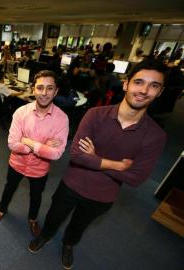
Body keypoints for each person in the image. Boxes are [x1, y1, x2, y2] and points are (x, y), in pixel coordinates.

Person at [28, 59, 168, 270]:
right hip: (71, 185)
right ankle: (45, 236)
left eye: (154, 85)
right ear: (126, 84)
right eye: (139, 82)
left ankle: (68, 244)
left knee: (79, 226)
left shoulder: (156, 136)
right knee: (54, 217)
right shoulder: (95, 115)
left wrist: (95, 158)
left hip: (103, 196)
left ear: (160, 92)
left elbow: (136, 178)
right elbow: (76, 155)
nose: (144, 90)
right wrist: (118, 165)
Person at [0, 70, 69, 236]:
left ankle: (33, 219)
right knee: (9, 188)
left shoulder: (62, 119)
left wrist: (28, 141)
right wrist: (43, 146)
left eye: (49, 88)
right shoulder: (21, 112)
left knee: (36, 196)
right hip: (16, 163)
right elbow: (12, 143)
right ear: (33, 89)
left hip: (39, 170)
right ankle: (1, 210)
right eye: (40, 88)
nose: (44, 93)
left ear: (56, 91)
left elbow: (56, 154)